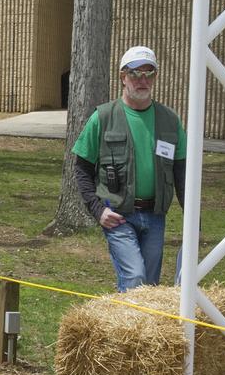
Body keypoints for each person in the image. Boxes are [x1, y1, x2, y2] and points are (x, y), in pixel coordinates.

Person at [72, 45, 186, 292]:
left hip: (155, 216)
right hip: (118, 215)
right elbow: (81, 168)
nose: (142, 80)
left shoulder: (170, 120)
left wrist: (192, 219)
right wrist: (96, 209)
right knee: (135, 277)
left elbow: (181, 172)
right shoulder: (102, 117)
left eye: (149, 73)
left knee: (150, 287)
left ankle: (128, 331)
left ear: (155, 77)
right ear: (123, 77)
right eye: (135, 73)